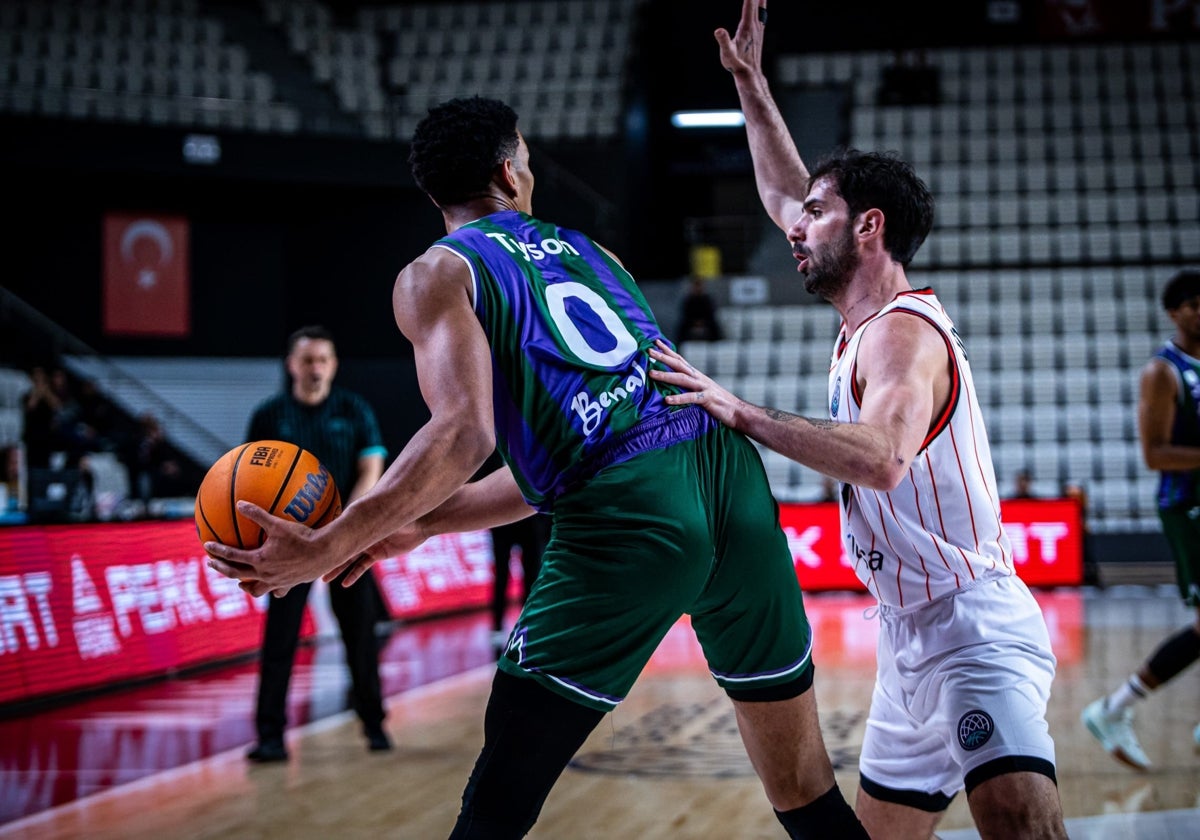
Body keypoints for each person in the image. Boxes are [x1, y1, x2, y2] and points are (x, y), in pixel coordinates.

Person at [205, 96, 868, 838]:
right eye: (525, 154)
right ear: (506, 172)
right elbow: (563, 451)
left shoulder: (436, 273)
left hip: (632, 515)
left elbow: (465, 435)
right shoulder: (593, 252)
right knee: (807, 791)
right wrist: (416, 523)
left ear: (434, 193)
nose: (530, 169)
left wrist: (332, 542)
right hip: (728, 473)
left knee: (498, 802)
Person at [646, 2, 1068, 837]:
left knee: (1022, 823)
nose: (794, 230)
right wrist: (753, 89)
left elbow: (880, 459)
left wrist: (742, 411)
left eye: (816, 215)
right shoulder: (860, 324)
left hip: (971, 627)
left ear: (868, 226)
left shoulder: (903, 333)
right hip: (906, 636)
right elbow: (779, 191)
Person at [243, 325, 391, 762]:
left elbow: (372, 468)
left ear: (334, 365)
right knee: (280, 639)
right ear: (291, 365)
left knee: (360, 636)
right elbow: (249, 479)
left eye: (323, 359)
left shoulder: (355, 409)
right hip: (289, 544)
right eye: (308, 360)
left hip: (346, 539)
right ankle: (270, 736)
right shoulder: (269, 415)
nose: (316, 368)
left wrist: (348, 526)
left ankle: (374, 723)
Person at [1081, 268, 1200, 768]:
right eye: (1193, 303)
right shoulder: (1163, 371)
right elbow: (1155, 454)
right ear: (1174, 312)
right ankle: (1113, 708)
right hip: (1187, 507)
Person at [676, 275, 725, 343]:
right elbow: (686, 313)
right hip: (691, 322)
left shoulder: (707, 299)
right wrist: (695, 322)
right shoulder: (688, 299)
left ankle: (716, 345)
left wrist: (702, 322)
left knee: (715, 326)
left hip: (706, 322)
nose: (698, 288)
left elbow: (710, 312)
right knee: (681, 328)